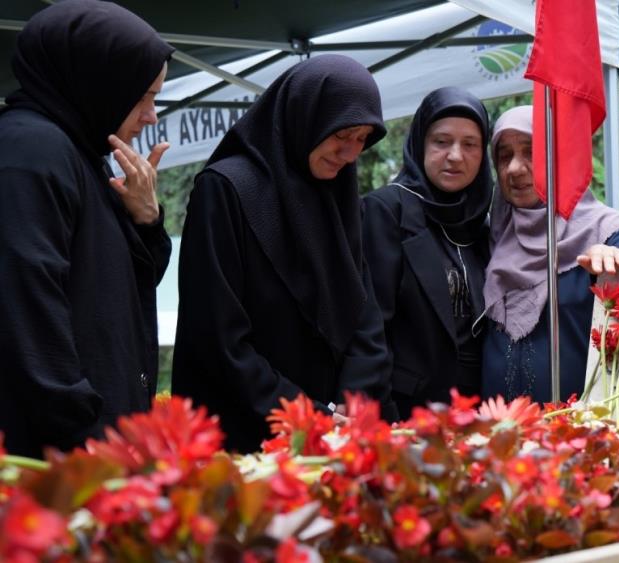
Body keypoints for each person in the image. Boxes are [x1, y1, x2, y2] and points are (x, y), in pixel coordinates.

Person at [171, 56, 397, 452]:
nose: (349, 153)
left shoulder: (337, 191)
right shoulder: (226, 190)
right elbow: (217, 337)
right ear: (307, 115)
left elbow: (362, 310)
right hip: (248, 435)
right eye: (343, 133)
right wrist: (308, 416)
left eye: (362, 139)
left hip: (331, 437)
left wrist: (351, 400)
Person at [0, 0, 173, 457]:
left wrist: (148, 219)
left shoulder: (79, 153)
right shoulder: (30, 154)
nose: (152, 115)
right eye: (145, 96)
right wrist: (89, 445)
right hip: (59, 461)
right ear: (102, 83)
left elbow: (122, 289)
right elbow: (29, 321)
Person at [481, 105, 619, 404]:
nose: (514, 168)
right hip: (497, 434)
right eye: (504, 156)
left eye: (531, 152)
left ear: (559, 157)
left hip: (576, 432)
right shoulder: (492, 236)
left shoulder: (608, 233)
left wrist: (607, 268)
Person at [362, 87, 493, 419]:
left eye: (470, 144)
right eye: (441, 142)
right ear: (420, 142)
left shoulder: (482, 221)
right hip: (408, 412)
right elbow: (369, 328)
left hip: (479, 413)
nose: (455, 156)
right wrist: (384, 418)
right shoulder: (386, 211)